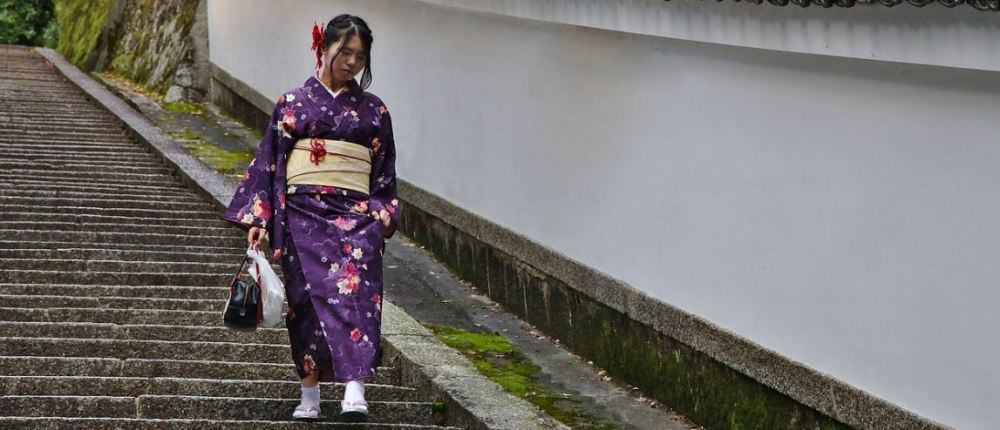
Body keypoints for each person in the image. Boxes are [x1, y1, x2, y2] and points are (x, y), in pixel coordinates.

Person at [222, 14, 398, 423]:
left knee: (356, 296)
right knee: (305, 303)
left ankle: (355, 386)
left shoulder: (375, 110)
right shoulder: (292, 104)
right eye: (345, 51)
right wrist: (259, 218)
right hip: (302, 217)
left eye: (360, 55)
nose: (352, 62)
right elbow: (269, 163)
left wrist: (382, 213)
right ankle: (310, 390)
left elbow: (384, 171)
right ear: (322, 47)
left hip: (356, 218)